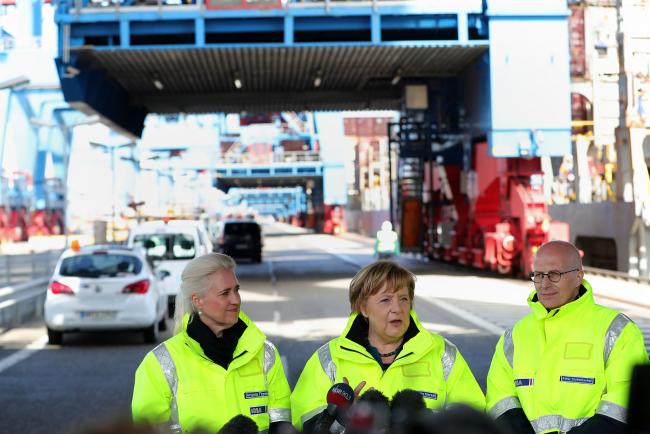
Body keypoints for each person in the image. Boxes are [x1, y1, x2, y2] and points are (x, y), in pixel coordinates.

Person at [291, 260, 485, 432]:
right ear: (364, 308)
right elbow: (304, 421)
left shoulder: (442, 353)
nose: (397, 308)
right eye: (385, 300)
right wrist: (342, 420)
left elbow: (471, 419)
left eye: (403, 299)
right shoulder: (329, 358)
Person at [486, 240, 649, 434]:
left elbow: (626, 401)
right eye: (538, 275)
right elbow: (500, 400)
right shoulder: (515, 336)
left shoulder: (617, 330)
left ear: (578, 276)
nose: (545, 284)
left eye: (554, 274)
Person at [132, 253, 292, 434]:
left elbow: (281, 422)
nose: (236, 299)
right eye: (225, 293)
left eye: (236, 290)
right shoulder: (158, 363)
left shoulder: (265, 353)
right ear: (197, 300)